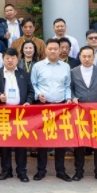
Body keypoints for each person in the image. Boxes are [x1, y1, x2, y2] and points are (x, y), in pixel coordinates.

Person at [30, 38, 72, 181]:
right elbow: (33, 84)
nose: (53, 51)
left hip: (61, 107)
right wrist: (38, 94)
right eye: (50, 49)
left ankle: (60, 170)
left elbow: (67, 86)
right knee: (43, 140)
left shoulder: (65, 67)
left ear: (60, 50)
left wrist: (68, 98)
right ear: (46, 50)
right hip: (43, 106)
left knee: (60, 140)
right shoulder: (38, 66)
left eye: (56, 49)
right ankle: (41, 170)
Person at [71, 46, 97, 183]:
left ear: (94, 57)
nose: (87, 59)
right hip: (79, 112)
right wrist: (73, 97)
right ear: (80, 57)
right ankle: (78, 171)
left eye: (89, 56)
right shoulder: (73, 72)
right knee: (79, 143)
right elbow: (69, 88)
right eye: (84, 56)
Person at [0, 48, 34, 183]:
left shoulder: (24, 74)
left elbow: (30, 91)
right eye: (7, 58)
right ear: (3, 59)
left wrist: (28, 102)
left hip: (20, 114)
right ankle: (6, 170)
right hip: (4, 114)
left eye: (13, 58)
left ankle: (22, 171)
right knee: (5, 144)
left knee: (20, 144)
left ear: (17, 59)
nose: (10, 60)